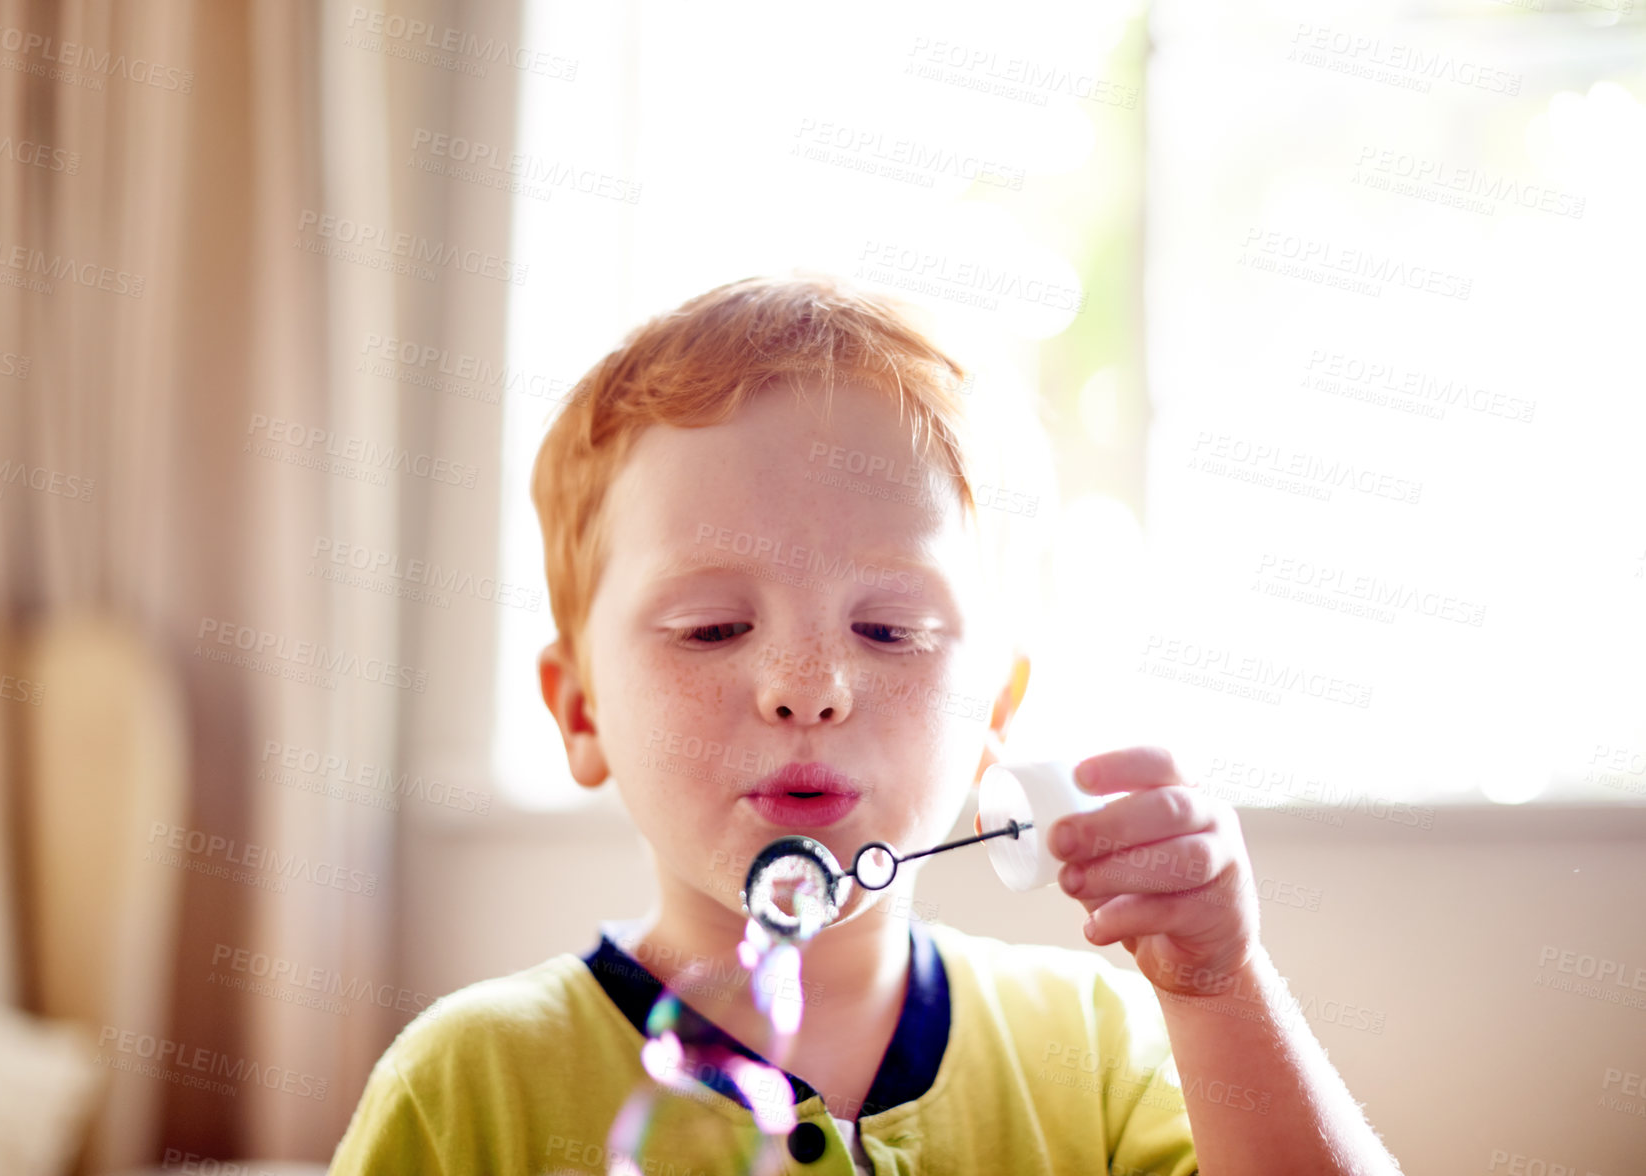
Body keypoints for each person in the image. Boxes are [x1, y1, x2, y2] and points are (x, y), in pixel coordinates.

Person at [327, 274, 1403, 1175]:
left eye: (888, 629)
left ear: (996, 712)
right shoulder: (469, 1083)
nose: (808, 686)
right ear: (579, 711)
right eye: (711, 628)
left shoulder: (1095, 1046)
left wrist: (1220, 992)